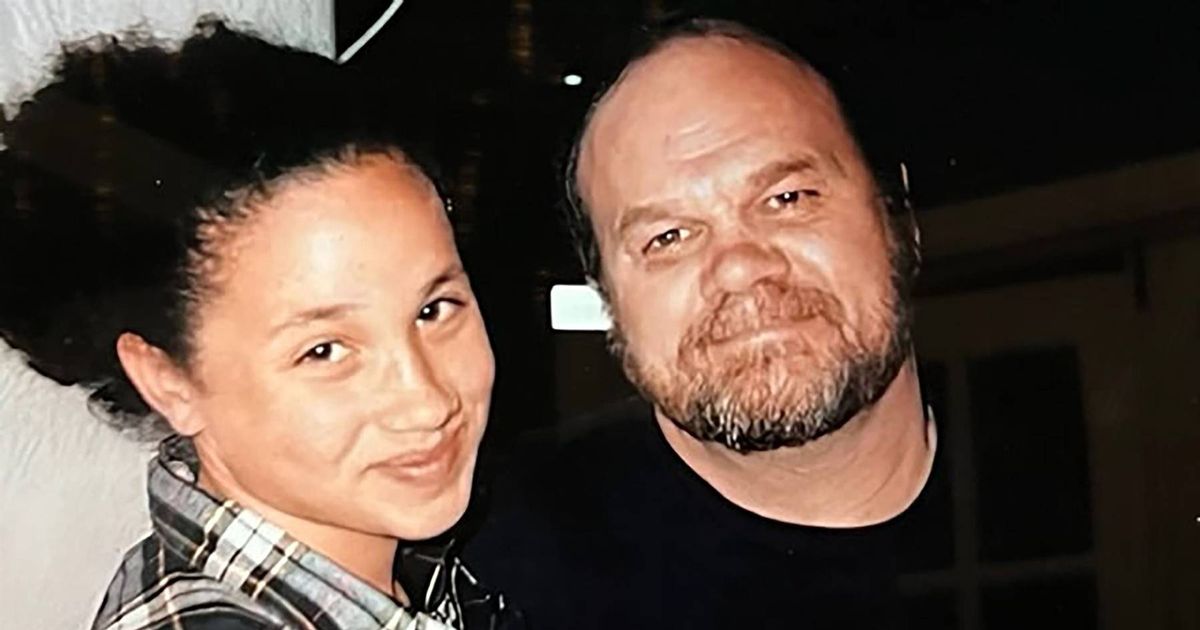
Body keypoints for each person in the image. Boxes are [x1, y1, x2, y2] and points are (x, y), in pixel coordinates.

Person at [0, 19, 520, 630]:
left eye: (434, 310)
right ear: (168, 381)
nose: (427, 401)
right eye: (325, 350)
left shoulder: (418, 568)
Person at [464, 18, 936, 629]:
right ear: (607, 301)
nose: (739, 268)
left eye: (788, 198)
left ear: (898, 216)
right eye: (668, 237)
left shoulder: (1053, 485)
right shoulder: (484, 583)